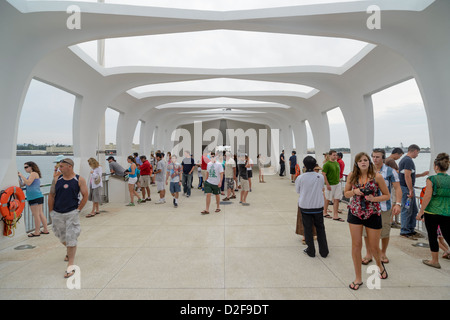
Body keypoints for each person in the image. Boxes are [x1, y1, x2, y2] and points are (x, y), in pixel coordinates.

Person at [344, 152, 391, 290]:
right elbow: (346, 193)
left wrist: (373, 199)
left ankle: (379, 265)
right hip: (355, 212)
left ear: (369, 162)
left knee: (374, 247)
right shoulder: (352, 176)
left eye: (365, 160)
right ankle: (358, 278)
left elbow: (387, 195)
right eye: (360, 160)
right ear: (357, 163)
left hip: (373, 213)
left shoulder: (377, 176)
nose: (363, 162)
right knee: (356, 245)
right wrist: (354, 192)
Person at [48, 158, 88, 279]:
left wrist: (78, 209)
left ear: (69, 166)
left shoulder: (79, 180)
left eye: (62, 166)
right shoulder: (56, 179)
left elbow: (85, 195)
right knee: (61, 236)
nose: (59, 168)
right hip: (57, 213)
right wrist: (51, 212)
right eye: (59, 166)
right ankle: (69, 249)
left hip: (72, 213)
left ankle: (70, 266)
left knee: (71, 237)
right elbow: (51, 195)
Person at [361, 149, 402, 264]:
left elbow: (397, 188)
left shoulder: (390, 171)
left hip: (384, 207)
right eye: (373, 157)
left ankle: (383, 253)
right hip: (368, 207)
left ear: (383, 158)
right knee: (366, 232)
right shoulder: (366, 171)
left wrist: (398, 204)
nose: (375, 159)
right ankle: (369, 254)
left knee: (384, 232)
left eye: (377, 157)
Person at [417, 153, 450, 269]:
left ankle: (435, 261)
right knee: (448, 235)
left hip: (432, 213)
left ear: (436, 166)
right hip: (447, 212)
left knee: (432, 236)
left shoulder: (431, 179)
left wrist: (421, 212)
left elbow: (427, 196)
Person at [295, 156, 328, 258]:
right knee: (320, 229)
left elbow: (298, 191)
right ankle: (324, 251)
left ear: (304, 165)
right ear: (315, 165)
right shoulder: (320, 177)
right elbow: (321, 188)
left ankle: (311, 250)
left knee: (307, 229)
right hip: (318, 206)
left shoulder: (300, 177)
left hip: (305, 206)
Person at [398, 144, 429, 240]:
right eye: (418, 153)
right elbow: (407, 176)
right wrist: (411, 190)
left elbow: (409, 175)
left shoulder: (404, 160)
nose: (417, 155)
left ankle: (410, 229)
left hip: (406, 189)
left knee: (413, 209)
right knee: (407, 209)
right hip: (407, 190)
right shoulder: (408, 161)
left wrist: (422, 174)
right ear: (414, 151)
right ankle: (405, 230)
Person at [18, 161, 49, 237]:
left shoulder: (33, 174)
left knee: (36, 215)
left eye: (26, 167)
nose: (25, 169)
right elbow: (23, 185)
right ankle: (45, 230)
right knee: (40, 213)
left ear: (31, 167)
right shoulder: (31, 175)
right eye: (24, 167)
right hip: (37, 196)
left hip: (34, 197)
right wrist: (19, 178)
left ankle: (36, 232)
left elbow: (28, 183)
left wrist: (21, 175)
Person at [322, 150, 344, 222]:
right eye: (334, 155)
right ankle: (324, 212)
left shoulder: (337, 163)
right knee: (327, 199)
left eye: (336, 155)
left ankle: (335, 215)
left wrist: (338, 181)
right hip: (330, 184)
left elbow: (338, 173)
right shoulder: (327, 164)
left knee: (337, 199)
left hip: (337, 183)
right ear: (330, 155)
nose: (335, 156)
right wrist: (327, 184)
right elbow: (324, 174)